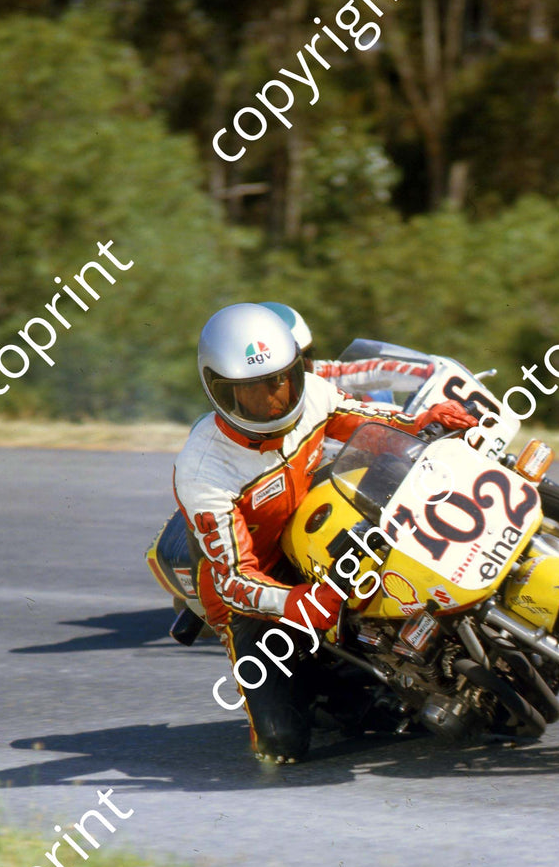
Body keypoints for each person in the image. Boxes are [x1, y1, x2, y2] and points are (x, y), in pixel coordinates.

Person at [174, 302, 477, 763]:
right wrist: (295, 602)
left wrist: (420, 422)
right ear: (218, 390)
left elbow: (366, 421)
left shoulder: (313, 393)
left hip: (316, 527)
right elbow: (233, 580)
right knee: (281, 746)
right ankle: (321, 687)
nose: (275, 399)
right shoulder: (204, 470)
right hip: (263, 585)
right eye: (252, 392)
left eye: (281, 380)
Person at [258, 301, 435, 403]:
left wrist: (430, 374)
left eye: (308, 356)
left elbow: (374, 371)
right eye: (291, 368)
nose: (305, 369)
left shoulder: (319, 374)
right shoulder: (257, 412)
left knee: (377, 396)